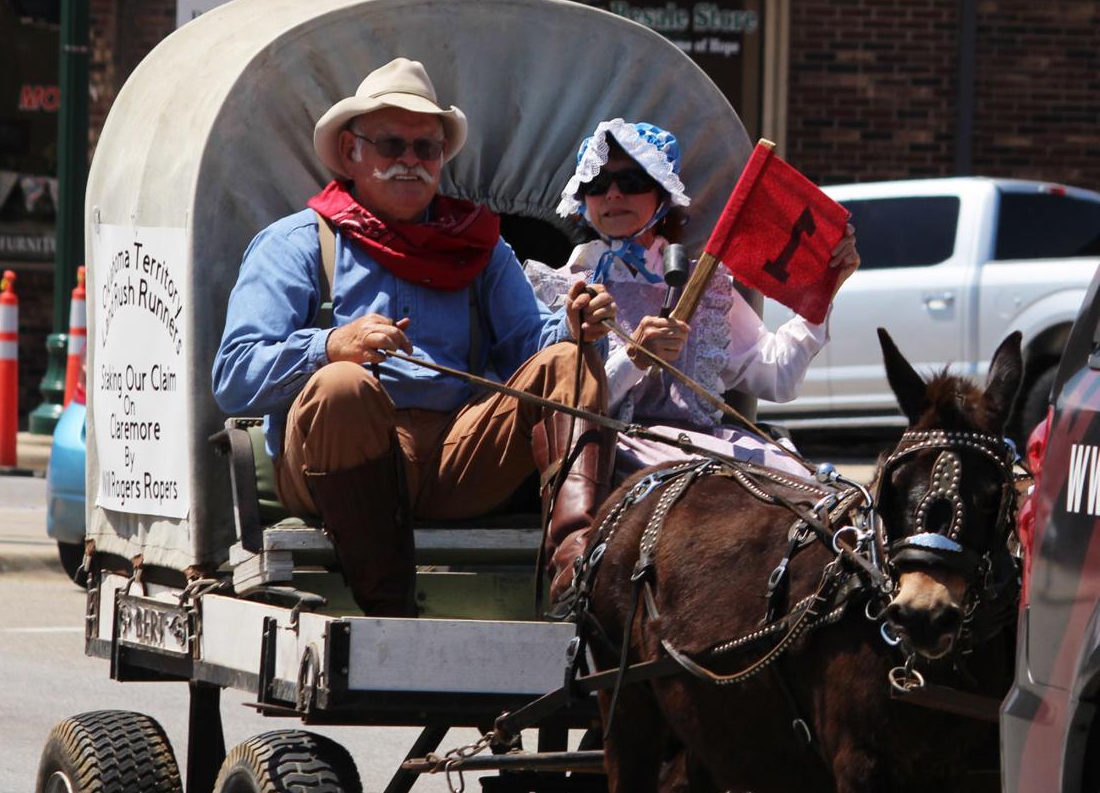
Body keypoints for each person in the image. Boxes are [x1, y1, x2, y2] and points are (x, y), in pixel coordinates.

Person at [212, 58, 617, 615]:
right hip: (336, 460)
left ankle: (578, 577)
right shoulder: (297, 243)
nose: (410, 161)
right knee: (342, 385)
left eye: (426, 148)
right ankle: (389, 612)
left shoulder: (479, 247)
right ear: (352, 152)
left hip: (456, 454)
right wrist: (330, 346)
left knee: (571, 362)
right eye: (391, 145)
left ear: (442, 159)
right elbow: (234, 377)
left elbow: (532, 343)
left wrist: (575, 326)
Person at [525, 118, 860, 503]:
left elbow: (777, 377)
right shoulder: (561, 289)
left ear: (662, 196)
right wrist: (635, 358)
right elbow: (558, 411)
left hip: (706, 449)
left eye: (632, 182)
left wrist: (825, 288)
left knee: (814, 498)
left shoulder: (703, 286)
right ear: (583, 201)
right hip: (617, 459)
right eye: (597, 185)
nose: (613, 195)